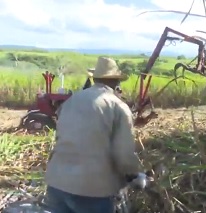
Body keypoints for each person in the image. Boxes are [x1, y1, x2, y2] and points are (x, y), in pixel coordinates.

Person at [44, 56, 143, 213]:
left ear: (95, 79)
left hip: (57, 184)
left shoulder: (71, 101)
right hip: (92, 191)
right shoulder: (118, 107)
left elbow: (60, 138)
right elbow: (123, 154)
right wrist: (133, 176)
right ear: (116, 82)